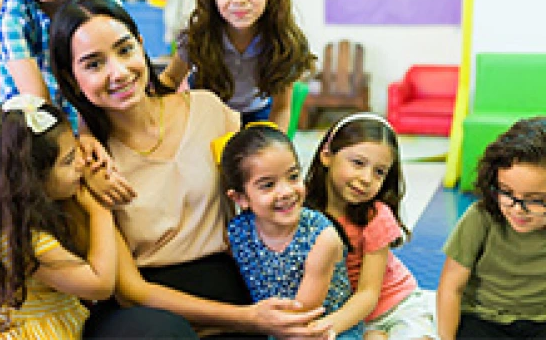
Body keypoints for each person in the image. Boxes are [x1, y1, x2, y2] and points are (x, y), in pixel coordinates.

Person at [49, 0, 333, 339]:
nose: (119, 72)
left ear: (141, 45)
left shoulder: (210, 110)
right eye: (94, 64)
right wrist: (248, 318)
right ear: (71, 76)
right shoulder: (88, 162)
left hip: (232, 286)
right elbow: (131, 291)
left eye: (125, 50)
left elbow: (262, 199)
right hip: (147, 309)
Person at [0, 0, 134, 206]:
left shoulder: (101, 0)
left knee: (107, 188)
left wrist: (86, 134)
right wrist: (76, 157)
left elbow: (110, 72)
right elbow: (38, 103)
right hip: (35, 127)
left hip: (92, 111)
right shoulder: (13, 15)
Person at [0, 94, 116, 339]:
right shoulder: (25, 240)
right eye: (68, 160)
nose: (82, 164)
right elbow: (101, 284)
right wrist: (100, 210)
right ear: (32, 181)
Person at [218, 123, 365, 339]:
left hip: (318, 328)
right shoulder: (238, 231)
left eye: (293, 176)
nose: (286, 191)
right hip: (271, 325)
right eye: (268, 185)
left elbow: (301, 314)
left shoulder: (322, 238)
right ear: (240, 198)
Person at [159, 0, 316, 132]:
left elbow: (282, 108)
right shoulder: (197, 37)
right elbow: (170, 80)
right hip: (208, 115)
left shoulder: (285, 41)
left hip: (259, 115)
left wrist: (275, 147)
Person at [305, 113, 437, 340]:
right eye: (358, 163)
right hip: (347, 313)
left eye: (379, 172)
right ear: (326, 155)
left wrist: (325, 327)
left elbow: (368, 293)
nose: (367, 178)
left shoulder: (375, 216)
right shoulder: (301, 205)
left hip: (395, 307)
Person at [437, 117, 546, 340]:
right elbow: (450, 289)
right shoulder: (481, 217)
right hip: (483, 319)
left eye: (534, 200)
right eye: (506, 192)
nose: (517, 210)